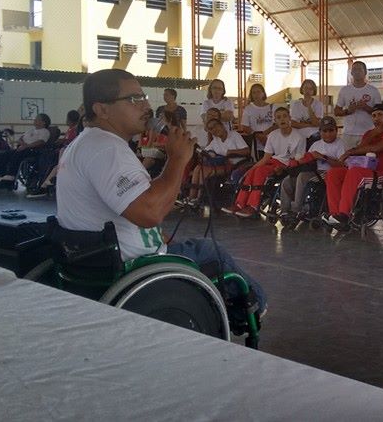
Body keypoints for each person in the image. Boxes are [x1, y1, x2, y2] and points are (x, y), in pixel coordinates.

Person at [56, 69, 265, 314]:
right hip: (133, 266)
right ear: (102, 109)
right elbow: (149, 213)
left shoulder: (88, 143)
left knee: (190, 244)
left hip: (100, 257)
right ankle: (256, 308)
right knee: (210, 251)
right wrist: (177, 159)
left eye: (144, 97)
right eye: (134, 99)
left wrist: (158, 235)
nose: (146, 106)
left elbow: (130, 207)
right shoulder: (107, 150)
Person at [325, 103, 383, 226]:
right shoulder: (369, 133)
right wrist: (372, 134)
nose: (376, 118)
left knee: (354, 172)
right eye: (374, 116)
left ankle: (344, 214)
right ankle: (334, 214)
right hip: (365, 169)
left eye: (380, 115)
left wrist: (349, 152)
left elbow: (377, 148)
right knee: (333, 173)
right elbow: (360, 149)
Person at [223, 107, 305, 218]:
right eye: (279, 117)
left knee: (259, 172)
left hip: (288, 164)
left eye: (285, 116)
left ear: (289, 118)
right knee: (251, 172)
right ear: (275, 121)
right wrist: (250, 170)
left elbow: (299, 159)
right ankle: (239, 204)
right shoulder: (272, 135)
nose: (282, 119)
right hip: (273, 161)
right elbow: (266, 158)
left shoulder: (299, 137)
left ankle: (253, 206)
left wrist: (284, 168)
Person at [280, 116, 346, 219]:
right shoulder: (316, 144)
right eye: (325, 131)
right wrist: (296, 161)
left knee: (302, 177)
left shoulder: (340, 144)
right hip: (313, 171)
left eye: (331, 130)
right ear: (320, 132)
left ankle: (297, 209)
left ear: (336, 130)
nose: (328, 134)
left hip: (327, 172)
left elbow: (342, 165)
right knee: (287, 180)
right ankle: (284, 210)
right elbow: (306, 158)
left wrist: (323, 157)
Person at [182, 117, 250, 207]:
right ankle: (191, 197)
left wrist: (231, 152)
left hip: (235, 165)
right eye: (211, 129)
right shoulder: (215, 141)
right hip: (222, 164)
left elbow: (247, 151)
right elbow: (205, 152)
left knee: (204, 171)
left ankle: (199, 198)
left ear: (222, 125)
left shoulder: (234, 135)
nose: (214, 129)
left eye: (215, 126)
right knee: (198, 168)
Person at [0, 113, 53, 185]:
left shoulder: (45, 131)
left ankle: (11, 175)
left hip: (33, 150)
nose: (34, 120)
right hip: (22, 147)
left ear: (43, 122)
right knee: (3, 155)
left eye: (37, 119)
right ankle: (2, 175)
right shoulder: (31, 130)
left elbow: (41, 142)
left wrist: (27, 146)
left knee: (17, 154)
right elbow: (20, 138)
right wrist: (22, 144)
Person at [335, 60, 381, 148]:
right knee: (348, 156)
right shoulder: (345, 90)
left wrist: (366, 107)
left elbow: (380, 112)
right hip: (348, 133)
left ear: (365, 72)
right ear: (351, 72)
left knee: (368, 156)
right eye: (354, 69)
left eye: (359, 69)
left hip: (368, 133)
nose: (357, 72)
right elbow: (336, 111)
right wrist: (348, 111)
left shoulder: (373, 91)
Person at [289, 79, 323, 145]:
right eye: (306, 88)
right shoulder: (296, 104)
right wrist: (310, 125)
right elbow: (293, 123)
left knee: (315, 138)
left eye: (310, 89)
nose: (308, 91)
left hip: (313, 133)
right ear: (302, 89)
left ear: (314, 91)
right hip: (298, 132)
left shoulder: (318, 104)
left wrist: (309, 107)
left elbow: (316, 123)